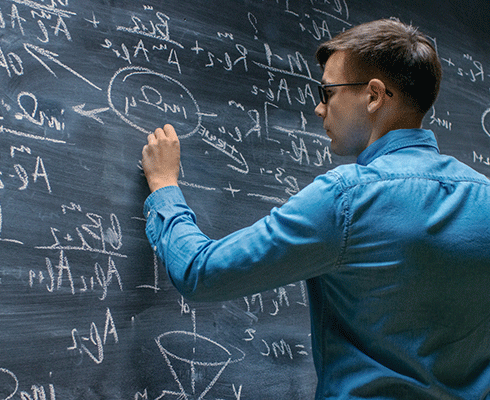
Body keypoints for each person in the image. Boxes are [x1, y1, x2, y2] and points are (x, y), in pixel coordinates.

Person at [141, 19, 490, 399]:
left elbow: (201, 272)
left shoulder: (346, 200)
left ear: (374, 96)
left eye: (328, 91)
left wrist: (164, 187)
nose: (319, 108)